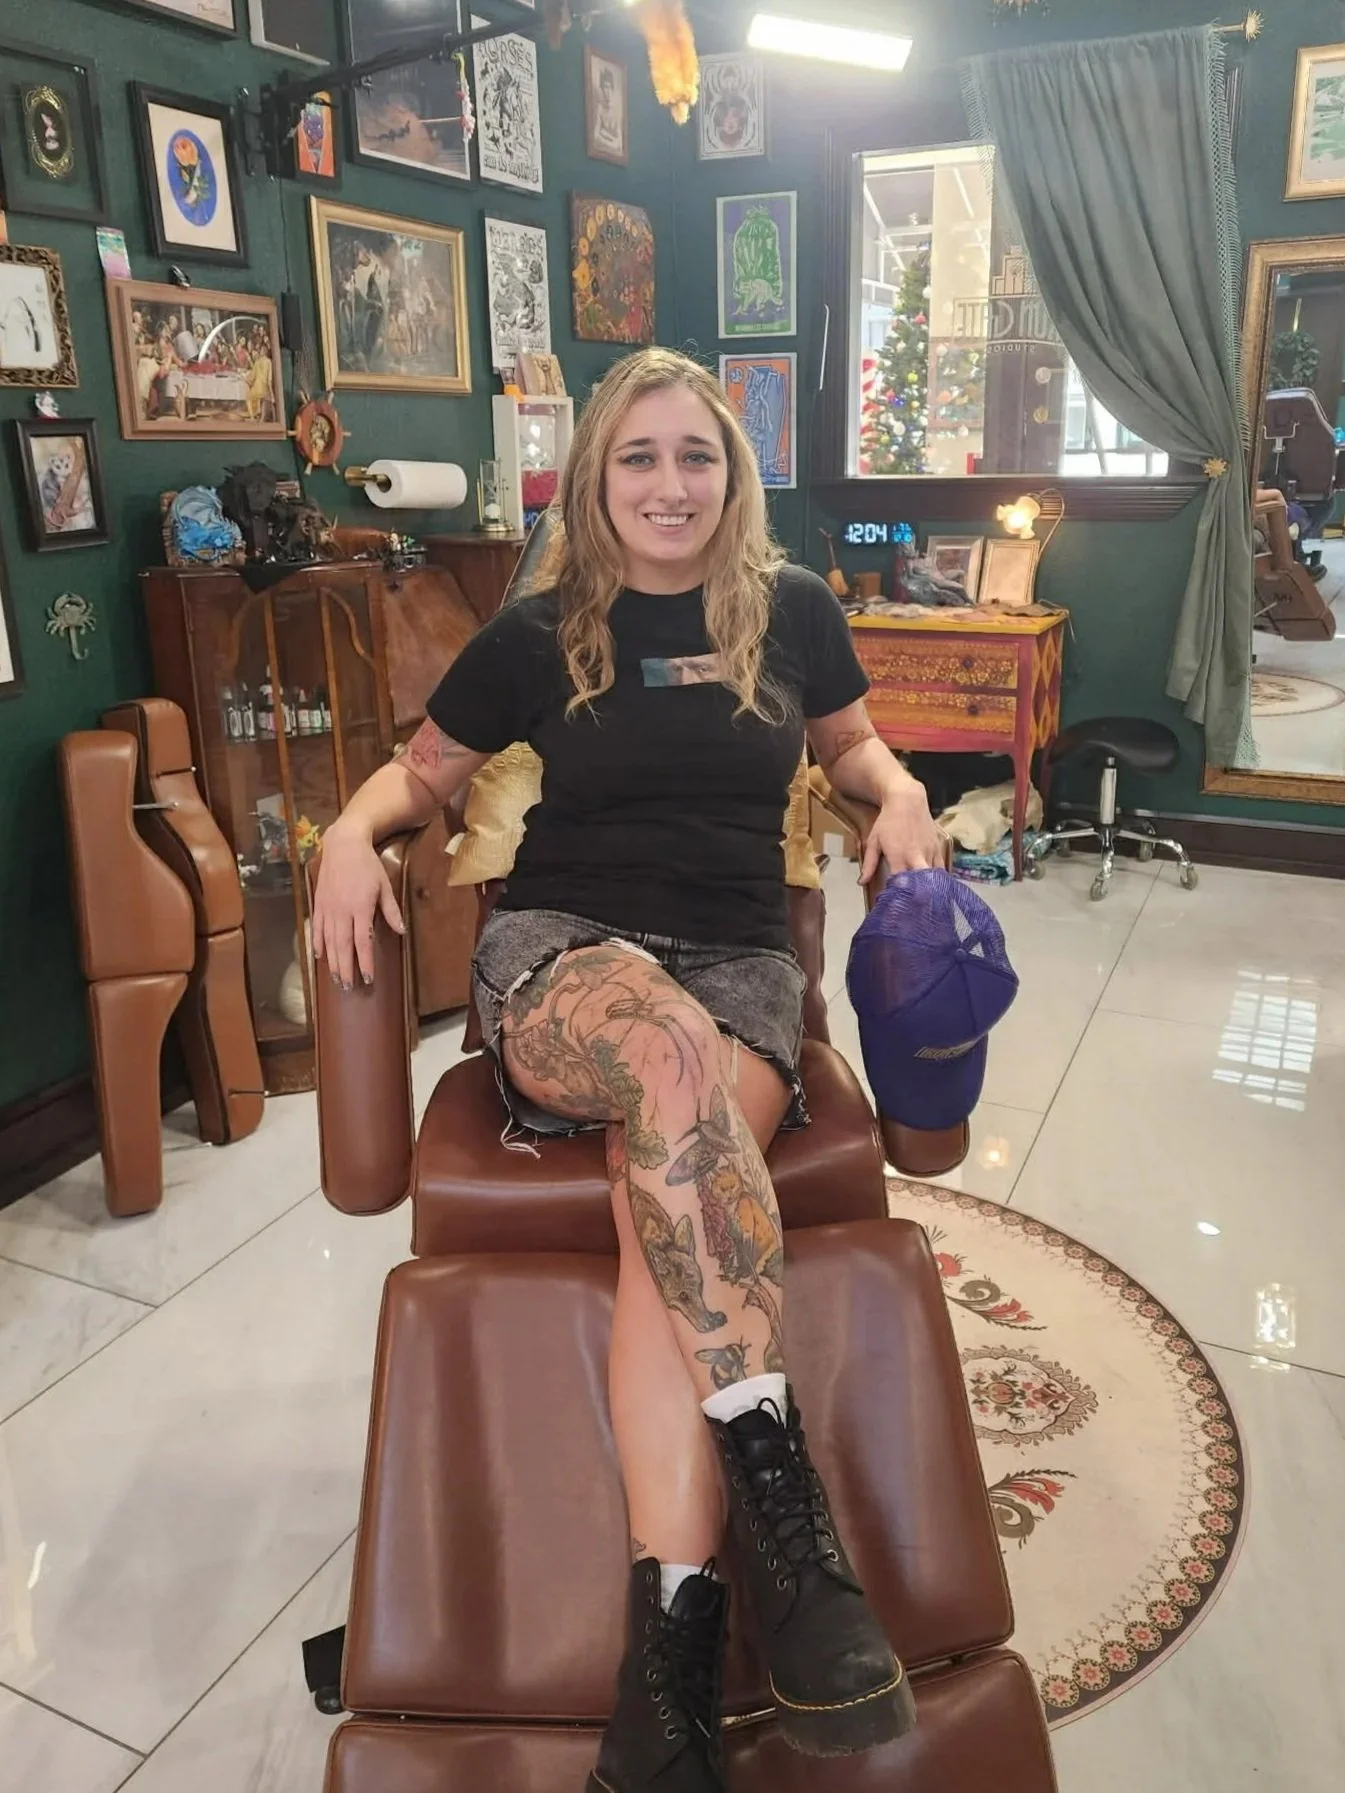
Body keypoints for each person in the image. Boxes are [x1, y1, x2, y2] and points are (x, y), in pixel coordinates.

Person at [312, 347, 943, 1791]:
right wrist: (352, 834)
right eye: (639, 458)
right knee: (663, 1064)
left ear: (735, 473)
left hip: (736, 971)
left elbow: (852, 751)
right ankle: (777, 1495)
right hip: (565, 959)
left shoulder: (794, 613)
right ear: (597, 481)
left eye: (697, 455)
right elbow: (420, 779)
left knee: (671, 1163)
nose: (671, 484)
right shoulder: (538, 632)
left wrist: (901, 794)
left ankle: (675, 1631)